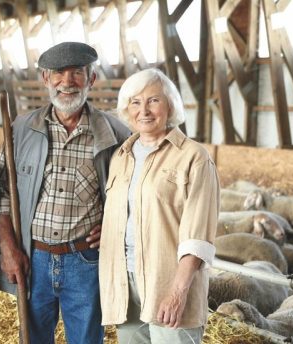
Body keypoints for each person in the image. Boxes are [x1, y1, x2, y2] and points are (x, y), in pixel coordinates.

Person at [0, 42, 131, 343]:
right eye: (58, 73)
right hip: (33, 258)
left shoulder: (117, 135)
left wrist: (112, 226)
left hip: (86, 261)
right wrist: (8, 247)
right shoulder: (20, 130)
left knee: (85, 339)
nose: (66, 82)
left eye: (76, 73)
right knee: (34, 338)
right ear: (45, 79)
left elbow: (133, 198)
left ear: (91, 79)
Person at [99, 68, 220, 344]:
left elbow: (198, 235)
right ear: (127, 109)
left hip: (167, 281)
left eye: (154, 100)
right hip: (124, 282)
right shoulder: (121, 155)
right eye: (135, 102)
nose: (145, 110)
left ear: (170, 106)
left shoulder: (194, 157)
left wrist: (177, 292)